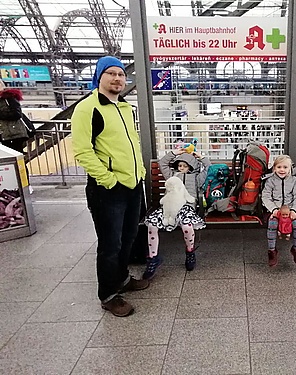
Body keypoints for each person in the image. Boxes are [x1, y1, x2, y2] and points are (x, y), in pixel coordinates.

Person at [71, 56, 149, 317]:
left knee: (128, 237)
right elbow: (83, 152)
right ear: (99, 77)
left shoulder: (125, 107)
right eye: (111, 74)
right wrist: (108, 180)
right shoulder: (87, 108)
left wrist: (139, 172)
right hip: (108, 189)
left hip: (132, 184)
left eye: (120, 74)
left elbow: (130, 144)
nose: (117, 78)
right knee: (110, 244)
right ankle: (108, 294)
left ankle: (123, 278)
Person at [143, 147, 210, 278]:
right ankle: (153, 258)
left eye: (185, 166)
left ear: (190, 167)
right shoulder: (171, 175)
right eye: (179, 165)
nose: (181, 168)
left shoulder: (196, 178)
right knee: (152, 225)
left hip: (186, 207)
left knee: (187, 226)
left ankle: (190, 252)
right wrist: (174, 153)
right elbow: (162, 163)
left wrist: (201, 158)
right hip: (168, 207)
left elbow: (208, 168)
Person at [262, 155, 296, 267]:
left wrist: (294, 210)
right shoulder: (270, 181)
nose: (282, 170)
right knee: (272, 223)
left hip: (290, 210)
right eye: (279, 167)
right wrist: (273, 209)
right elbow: (265, 197)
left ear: (290, 168)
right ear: (274, 168)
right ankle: (272, 251)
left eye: (285, 167)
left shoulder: (295, 181)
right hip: (275, 210)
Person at [0, 80, 36, 154]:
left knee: (15, 157)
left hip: (14, 134)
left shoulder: (9, 97)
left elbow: (17, 114)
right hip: (5, 135)